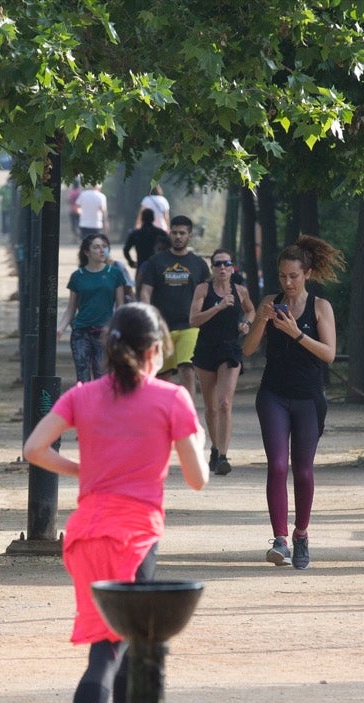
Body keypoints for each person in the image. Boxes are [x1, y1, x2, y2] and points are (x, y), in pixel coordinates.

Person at [21, 303, 209, 703]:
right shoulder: (172, 398)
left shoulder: (83, 395)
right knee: (112, 650)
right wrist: (187, 441)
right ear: (154, 352)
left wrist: (80, 466)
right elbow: (198, 479)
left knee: (120, 644)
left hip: (84, 535)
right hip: (134, 536)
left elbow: (35, 447)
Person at [240, 235, 341, 568]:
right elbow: (248, 350)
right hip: (273, 394)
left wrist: (296, 333)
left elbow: (328, 355)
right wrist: (263, 322)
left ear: (307, 274)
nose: (288, 282)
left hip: (308, 399)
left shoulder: (320, 307)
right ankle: (280, 540)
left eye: (294, 276)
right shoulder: (271, 302)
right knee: (278, 465)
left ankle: (301, 535)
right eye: (283, 276)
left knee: (303, 471)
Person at [187, 248, 254, 475]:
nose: (223, 268)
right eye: (218, 264)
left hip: (230, 349)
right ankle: (215, 449)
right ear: (212, 268)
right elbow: (194, 320)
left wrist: (246, 324)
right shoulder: (203, 289)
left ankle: (224, 456)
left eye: (227, 264)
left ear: (232, 267)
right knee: (211, 407)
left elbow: (251, 310)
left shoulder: (241, 290)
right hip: (206, 349)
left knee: (225, 402)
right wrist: (218, 307)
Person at [137, 215, 211, 400]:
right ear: (169, 233)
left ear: (190, 235)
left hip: (190, 326)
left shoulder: (199, 264)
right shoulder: (156, 262)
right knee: (163, 375)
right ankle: (165, 415)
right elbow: (145, 292)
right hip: (162, 327)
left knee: (187, 367)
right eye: (175, 232)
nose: (178, 237)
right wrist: (148, 319)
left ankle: (187, 414)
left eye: (182, 233)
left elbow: (207, 294)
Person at [57, 234, 131, 383]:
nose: (102, 250)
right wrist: (60, 328)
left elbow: (120, 306)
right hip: (80, 332)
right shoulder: (78, 276)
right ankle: (83, 406)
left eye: (104, 247)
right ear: (87, 252)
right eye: (96, 247)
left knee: (101, 377)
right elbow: (71, 308)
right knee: (82, 377)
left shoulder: (115, 274)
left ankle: (100, 407)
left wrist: (118, 330)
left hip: (104, 333)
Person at [122, 207, 162, 272]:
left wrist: (131, 262)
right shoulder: (160, 233)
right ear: (153, 219)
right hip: (156, 267)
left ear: (142, 219)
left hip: (141, 266)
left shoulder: (135, 234)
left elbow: (126, 250)